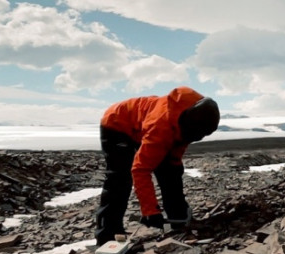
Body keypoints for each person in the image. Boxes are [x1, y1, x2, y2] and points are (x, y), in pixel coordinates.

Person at [94, 87, 220, 245]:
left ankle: (178, 218)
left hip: (145, 125)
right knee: (119, 179)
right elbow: (140, 169)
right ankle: (107, 234)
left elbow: (175, 153)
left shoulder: (193, 119)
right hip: (117, 123)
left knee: (172, 171)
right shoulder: (161, 127)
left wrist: (173, 167)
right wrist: (150, 212)